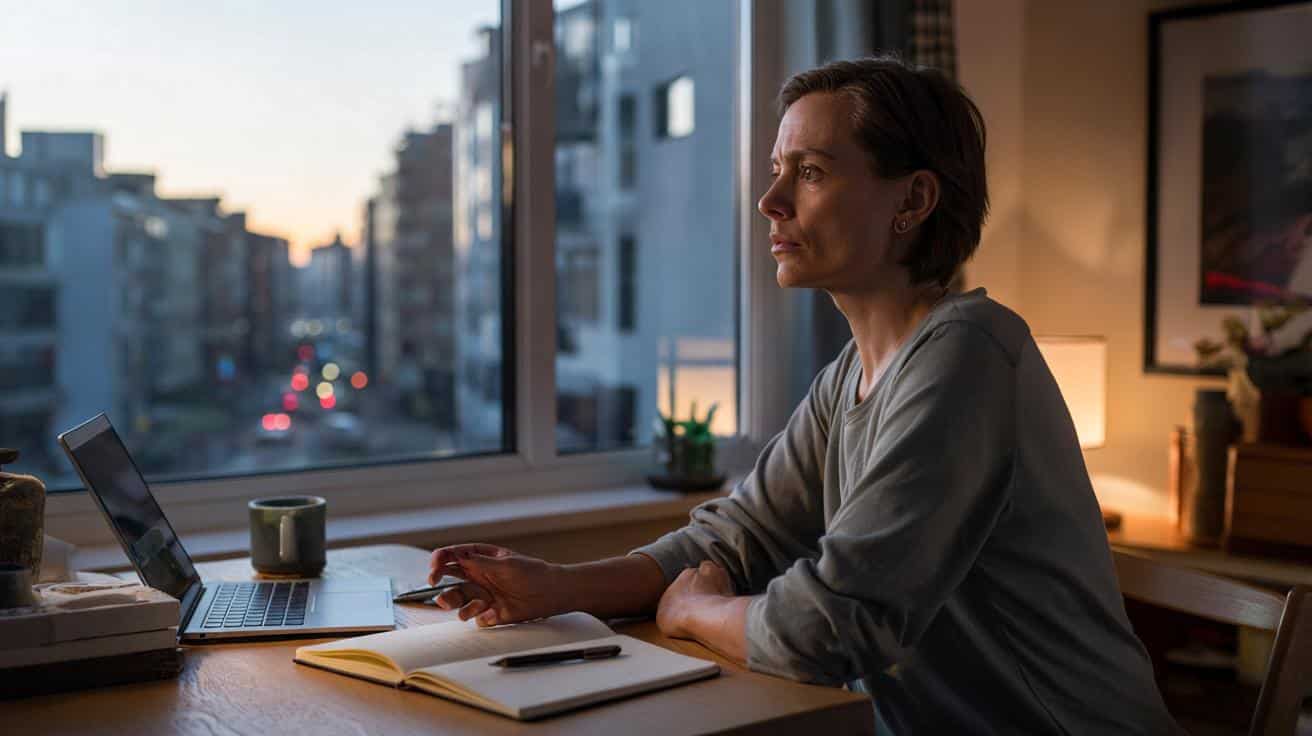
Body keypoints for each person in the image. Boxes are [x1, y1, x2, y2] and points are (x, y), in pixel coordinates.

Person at [427, 56, 1178, 734]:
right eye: (777, 169)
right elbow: (735, 539)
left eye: (811, 171)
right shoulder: (850, 375)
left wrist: (697, 611)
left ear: (913, 199)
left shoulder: (968, 355)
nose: (771, 200)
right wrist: (557, 588)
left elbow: (827, 630)